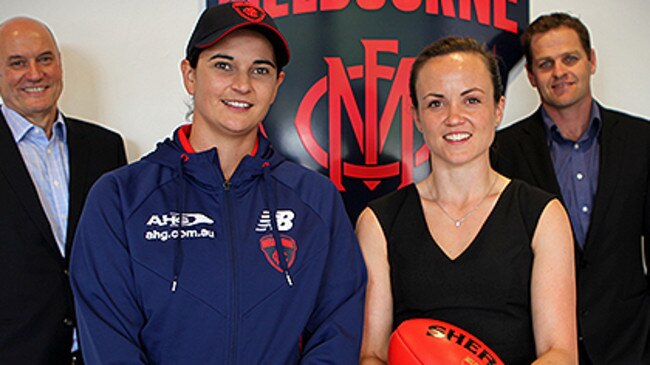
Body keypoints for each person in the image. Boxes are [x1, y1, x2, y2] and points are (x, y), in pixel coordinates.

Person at [70, 3, 367, 364]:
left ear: (277, 86)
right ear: (190, 75)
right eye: (223, 65)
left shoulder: (315, 200)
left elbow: (337, 329)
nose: (242, 84)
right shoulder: (119, 197)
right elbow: (108, 339)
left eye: (260, 70)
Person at [356, 36, 577, 364]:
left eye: (471, 100)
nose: (454, 117)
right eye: (436, 103)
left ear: (498, 109)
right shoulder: (378, 221)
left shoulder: (542, 214)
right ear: (417, 116)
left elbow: (560, 353)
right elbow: (371, 354)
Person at [491, 12, 650, 364]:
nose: (559, 72)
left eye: (570, 58)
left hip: (630, 345)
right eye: (545, 64)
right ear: (531, 76)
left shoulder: (642, 141)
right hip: (539, 349)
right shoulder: (501, 151)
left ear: (591, 61)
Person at [0, 17, 127, 364]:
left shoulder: (106, 147)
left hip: (98, 351)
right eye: (17, 63)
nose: (35, 73)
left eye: (45, 59)